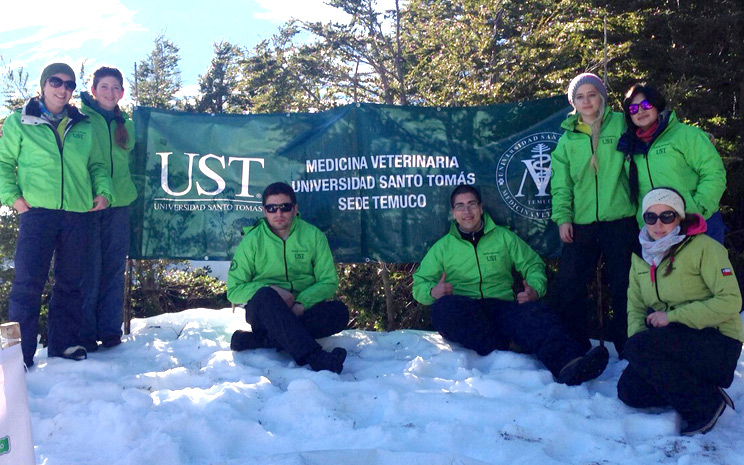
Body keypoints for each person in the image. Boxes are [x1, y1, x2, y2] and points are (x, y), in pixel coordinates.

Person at [412, 185, 609, 386]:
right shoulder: (443, 247)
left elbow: (533, 264)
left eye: (471, 204)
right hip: (468, 311)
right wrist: (433, 292)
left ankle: (570, 364)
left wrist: (534, 289)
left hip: (502, 307)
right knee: (443, 309)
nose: (467, 211)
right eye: (460, 207)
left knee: (536, 313)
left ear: (481, 208)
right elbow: (419, 284)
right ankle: (507, 343)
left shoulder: (504, 238)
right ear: (453, 213)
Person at [0, 63, 113, 367]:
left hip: (77, 213)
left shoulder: (83, 125)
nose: (63, 89)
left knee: (71, 282)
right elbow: (2, 163)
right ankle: (17, 356)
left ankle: (64, 343)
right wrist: (14, 199)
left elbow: (97, 166)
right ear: (43, 84)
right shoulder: (19, 122)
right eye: (56, 81)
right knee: (27, 283)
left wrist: (104, 193)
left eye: (69, 84)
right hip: (37, 213)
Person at [617, 187, 743, 436]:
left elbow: (730, 301)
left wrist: (672, 317)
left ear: (680, 217)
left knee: (639, 348)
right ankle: (699, 387)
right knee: (629, 391)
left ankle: (705, 407)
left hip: (716, 341)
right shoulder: (640, 255)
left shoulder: (704, 248)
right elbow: (635, 304)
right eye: (651, 217)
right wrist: (639, 344)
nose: (658, 224)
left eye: (667, 216)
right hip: (673, 341)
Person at [550, 73, 638, 356]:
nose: (586, 101)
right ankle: (576, 343)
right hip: (582, 222)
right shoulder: (568, 139)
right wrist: (563, 217)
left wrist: (700, 135)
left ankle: (627, 345)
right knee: (570, 284)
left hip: (620, 220)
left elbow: (654, 125)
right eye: (580, 96)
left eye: (592, 94)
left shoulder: (621, 123)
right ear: (573, 102)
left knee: (625, 284)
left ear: (601, 96)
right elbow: (561, 183)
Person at [227, 182, 349, 373]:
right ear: (264, 211)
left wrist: (301, 303)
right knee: (266, 295)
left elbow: (328, 281)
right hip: (264, 313)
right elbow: (234, 291)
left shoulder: (313, 236)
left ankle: (260, 340)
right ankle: (314, 356)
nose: (278, 213)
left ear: (295, 208)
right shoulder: (252, 241)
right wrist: (274, 290)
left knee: (339, 312)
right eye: (272, 208)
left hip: (301, 309)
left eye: (285, 207)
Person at [617, 83, 727, 244]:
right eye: (633, 109)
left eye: (645, 105)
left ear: (656, 104)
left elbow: (714, 173)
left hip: (697, 223)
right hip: (657, 230)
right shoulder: (630, 147)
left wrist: (697, 209)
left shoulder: (686, 135)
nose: (640, 111)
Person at [79, 66, 138, 351]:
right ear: (93, 90)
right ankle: (86, 333)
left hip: (120, 203)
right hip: (89, 204)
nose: (110, 92)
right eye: (104, 87)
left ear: (122, 92)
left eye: (116, 87)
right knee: (89, 269)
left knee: (114, 269)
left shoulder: (125, 123)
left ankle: (110, 331)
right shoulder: (80, 119)